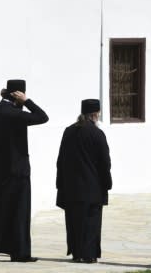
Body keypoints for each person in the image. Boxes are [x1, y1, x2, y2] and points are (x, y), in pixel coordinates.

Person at [0, 79, 48, 262]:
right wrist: (27, 102)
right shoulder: (15, 114)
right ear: (18, 96)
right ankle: (19, 252)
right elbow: (42, 117)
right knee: (19, 212)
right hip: (16, 170)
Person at [55, 98, 112, 264]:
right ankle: (89, 254)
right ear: (95, 114)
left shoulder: (69, 131)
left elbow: (60, 160)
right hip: (92, 188)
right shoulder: (97, 134)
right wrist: (107, 183)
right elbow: (105, 163)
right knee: (91, 223)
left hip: (71, 187)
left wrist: (60, 184)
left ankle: (77, 253)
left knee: (74, 222)